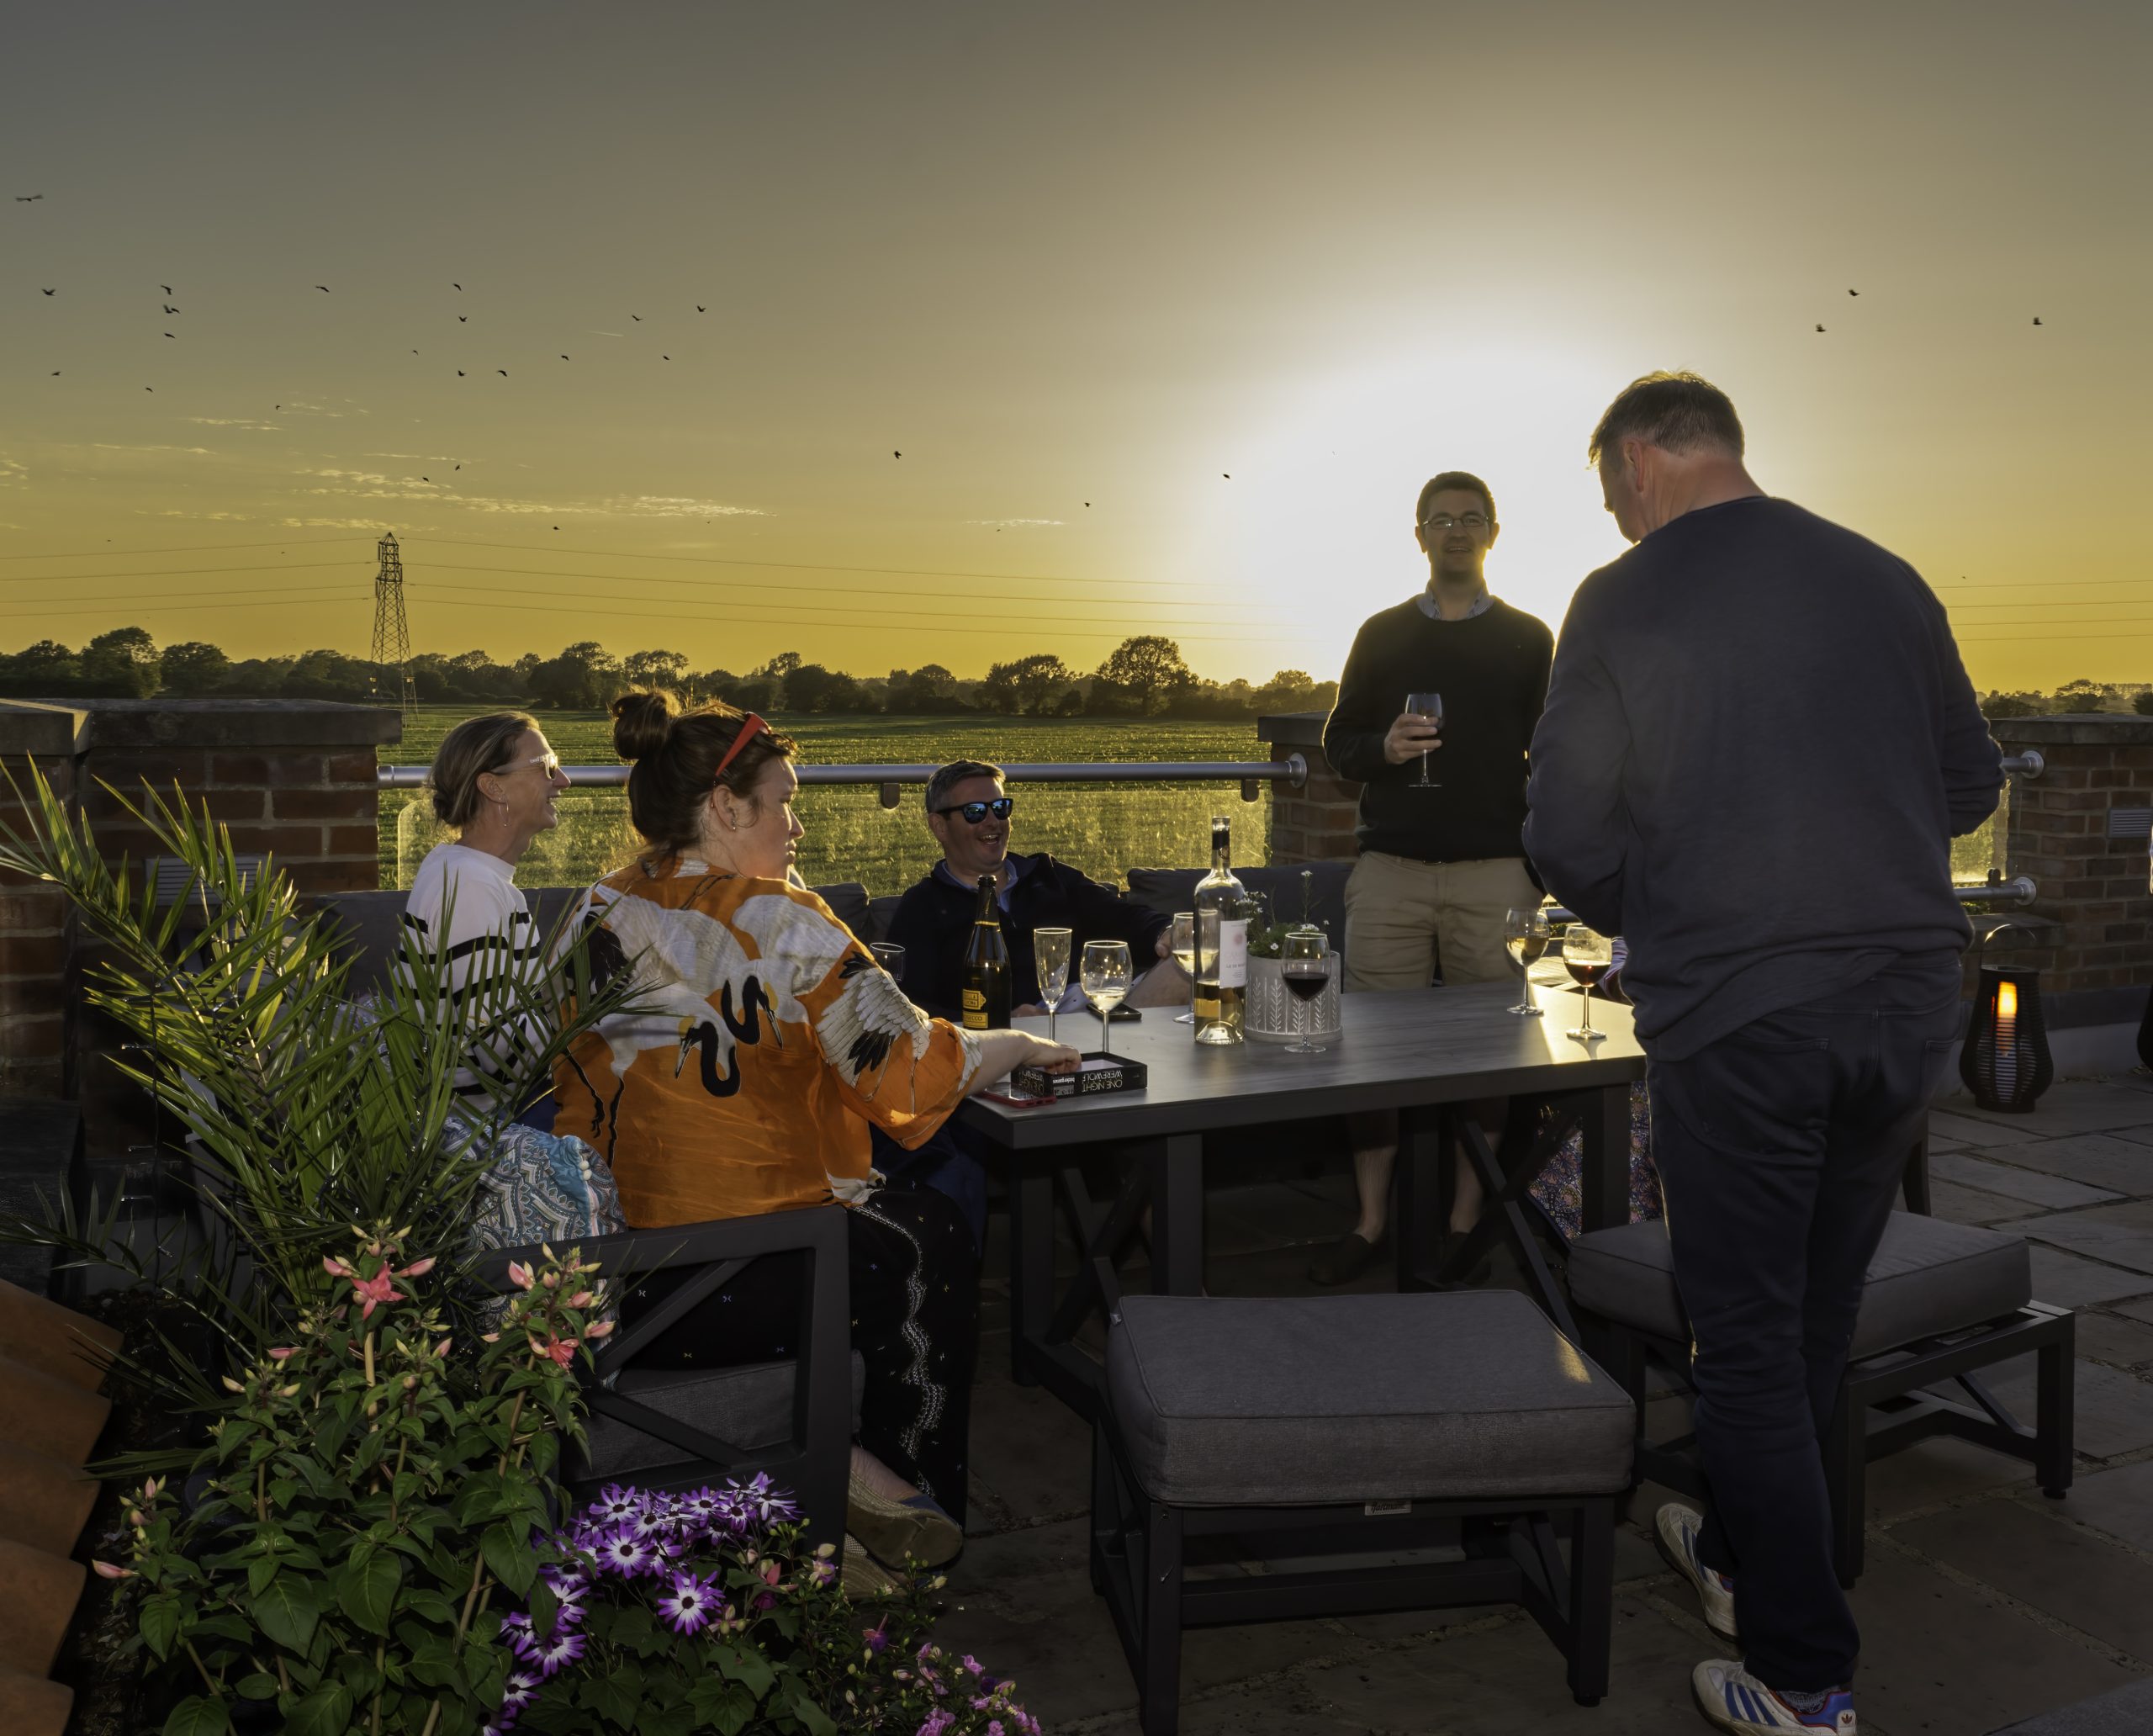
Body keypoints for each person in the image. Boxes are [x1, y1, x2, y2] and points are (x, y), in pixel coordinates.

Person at [1524, 372, 2000, 1735]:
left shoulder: (1620, 598)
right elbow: (1970, 784)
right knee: (1808, 1318)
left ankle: (1803, 1676)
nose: (1613, 514)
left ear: (1637, 459)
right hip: (1907, 1004)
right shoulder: (1885, 575)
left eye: (1609, 486)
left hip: (1742, 1017)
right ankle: (1740, 1554)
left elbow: (1564, 833)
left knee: (1736, 1342)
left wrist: (1665, 902)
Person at [553, 694, 1077, 1589]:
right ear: (726, 809)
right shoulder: (782, 922)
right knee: (928, 1239)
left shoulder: (592, 911)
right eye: (784, 800)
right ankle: (907, 1510)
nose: (796, 825)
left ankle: (848, 1484)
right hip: (728, 1280)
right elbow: (912, 1072)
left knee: (892, 1221)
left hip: (605, 1277)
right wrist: (1019, 1045)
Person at [1309, 472, 1553, 1285]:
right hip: (1390, 876)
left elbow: (1552, 756)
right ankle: (1372, 1220)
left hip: (1496, 877)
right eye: (1440, 520)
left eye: (1470, 519)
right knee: (1369, 1053)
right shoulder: (1380, 634)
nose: (1456, 531)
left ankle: (1464, 1218)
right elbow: (1339, 742)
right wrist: (1382, 749)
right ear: (1419, 535)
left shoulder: (1530, 638)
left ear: (1493, 533)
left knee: (1492, 1054)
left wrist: (1541, 857)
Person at [403, 713, 622, 1252]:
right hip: (487, 1142)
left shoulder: (460, 870)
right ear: (492, 786)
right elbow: (493, 1060)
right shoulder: (472, 890)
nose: (562, 781)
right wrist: (582, 993)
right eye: (547, 766)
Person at [885, 760, 1188, 1024]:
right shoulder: (923, 906)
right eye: (975, 812)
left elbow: (1121, 915)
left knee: (1193, 957)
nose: (993, 822)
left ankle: (1117, 1058)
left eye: (1000, 808)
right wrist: (1000, 1021)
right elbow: (907, 1005)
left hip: (1097, 1011)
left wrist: (1165, 932)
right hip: (1009, 1036)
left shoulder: (1048, 874)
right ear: (939, 826)